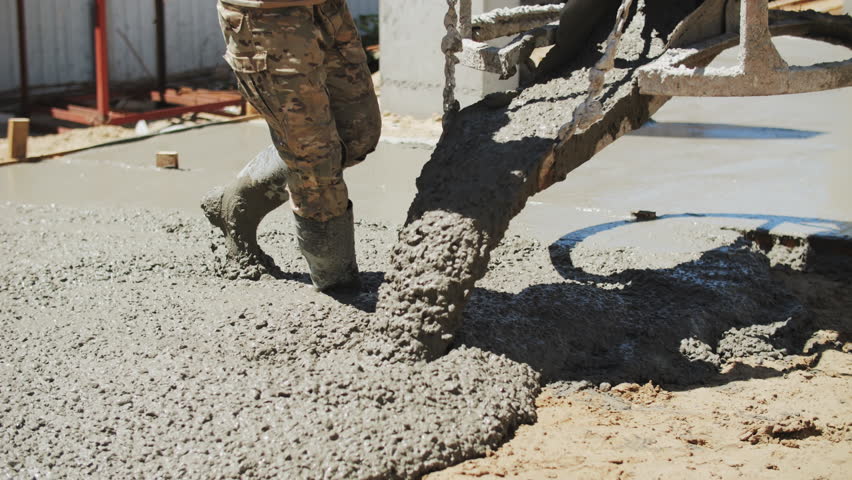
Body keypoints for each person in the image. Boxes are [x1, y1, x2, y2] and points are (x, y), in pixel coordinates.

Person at [202, 0, 381, 291]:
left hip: (325, 9)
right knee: (315, 163)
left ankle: (235, 202)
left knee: (358, 134)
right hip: (268, 17)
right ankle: (337, 286)